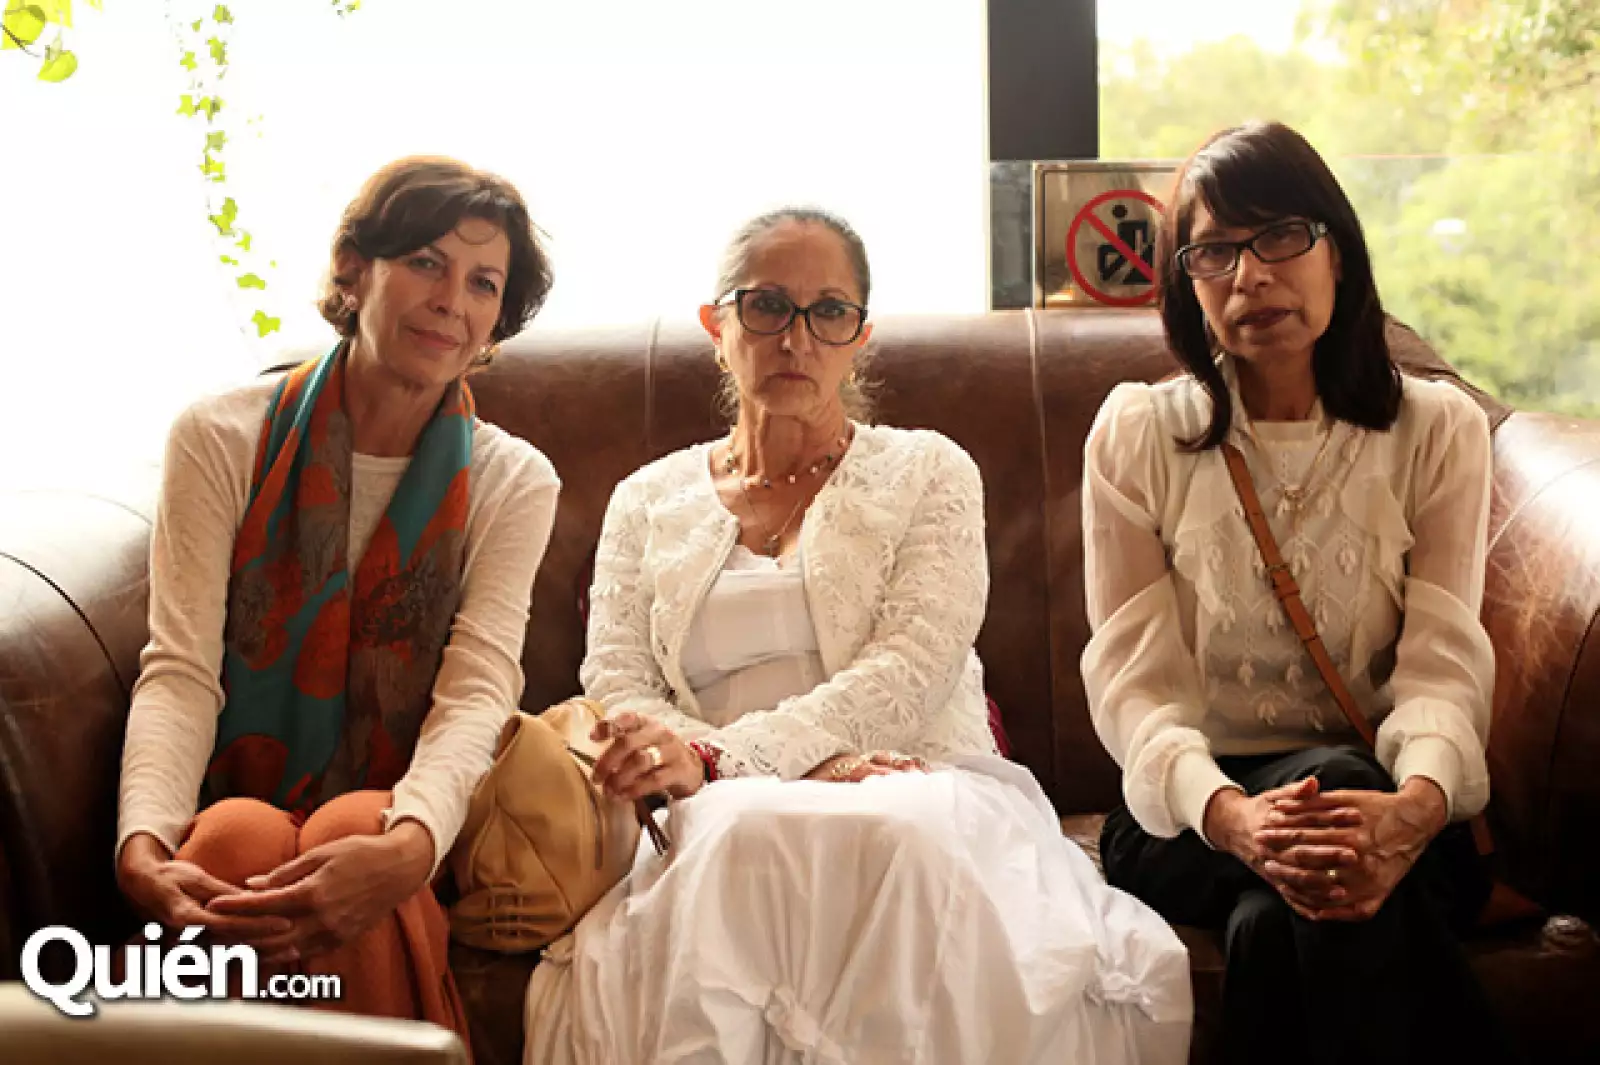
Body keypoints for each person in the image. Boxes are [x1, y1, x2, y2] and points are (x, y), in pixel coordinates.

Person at [521, 207, 1192, 1065]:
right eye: (767, 305)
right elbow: (617, 682)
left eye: (829, 311)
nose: (796, 337)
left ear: (860, 338)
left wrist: (740, 757)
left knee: (893, 835)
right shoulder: (645, 498)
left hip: (912, 772)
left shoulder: (930, 470)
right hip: (703, 801)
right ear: (717, 327)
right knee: (741, 834)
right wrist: (727, 769)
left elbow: (912, 667)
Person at [1082, 121, 1519, 1065]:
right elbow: (1134, 691)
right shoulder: (1140, 435)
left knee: (1272, 923)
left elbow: (1442, 669)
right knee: (1335, 800)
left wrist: (1414, 808)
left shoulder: (1436, 431)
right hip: (1187, 817)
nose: (1251, 276)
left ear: (1338, 252)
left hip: (1391, 804)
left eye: (1281, 235)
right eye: (1215, 253)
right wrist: (1234, 817)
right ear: (1187, 286)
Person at [115, 156, 562, 1041]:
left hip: (413, 806)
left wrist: (410, 845)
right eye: (426, 262)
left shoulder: (515, 481)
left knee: (356, 826)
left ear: (495, 321)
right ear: (355, 271)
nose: (452, 301)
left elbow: (477, 692)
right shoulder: (218, 437)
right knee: (232, 838)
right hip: (236, 789)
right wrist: (143, 843)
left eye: (483, 283)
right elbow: (180, 670)